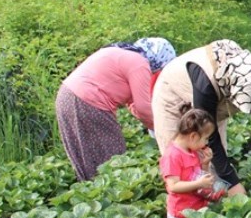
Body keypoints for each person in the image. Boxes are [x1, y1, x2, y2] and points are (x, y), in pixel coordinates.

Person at [151, 39, 251, 196]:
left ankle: (210, 201)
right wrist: (233, 183)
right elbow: (211, 137)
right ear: (231, 91)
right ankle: (182, 212)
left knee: (212, 167)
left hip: (212, 97)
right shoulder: (207, 83)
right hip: (172, 95)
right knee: (180, 163)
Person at [55, 37, 176, 181]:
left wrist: (152, 125)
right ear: (160, 58)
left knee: (85, 152)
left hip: (66, 97)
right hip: (87, 101)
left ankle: (90, 190)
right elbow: (144, 109)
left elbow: (134, 104)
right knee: (112, 156)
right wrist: (165, 133)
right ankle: (108, 193)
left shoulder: (123, 53)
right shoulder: (139, 63)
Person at [159, 107, 218, 218]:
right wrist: (199, 184)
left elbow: (198, 176)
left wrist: (205, 164)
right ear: (193, 136)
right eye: (206, 138)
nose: (206, 143)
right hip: (182, 215)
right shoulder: (172, 156)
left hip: (198, 208)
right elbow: (173, 186)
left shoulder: (193, 150)